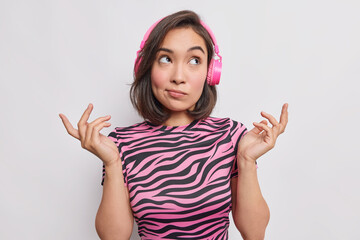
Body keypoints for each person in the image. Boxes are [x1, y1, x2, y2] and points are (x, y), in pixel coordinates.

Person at [59, 10, 288, 240]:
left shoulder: (231, 136)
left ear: (211, 72)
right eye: (166, 59)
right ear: (146, 67)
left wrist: (246, 161)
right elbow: (114, 237)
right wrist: (112, 163)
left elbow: (255, 233)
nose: (179, 76)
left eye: (194, 61)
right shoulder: (121, 144)